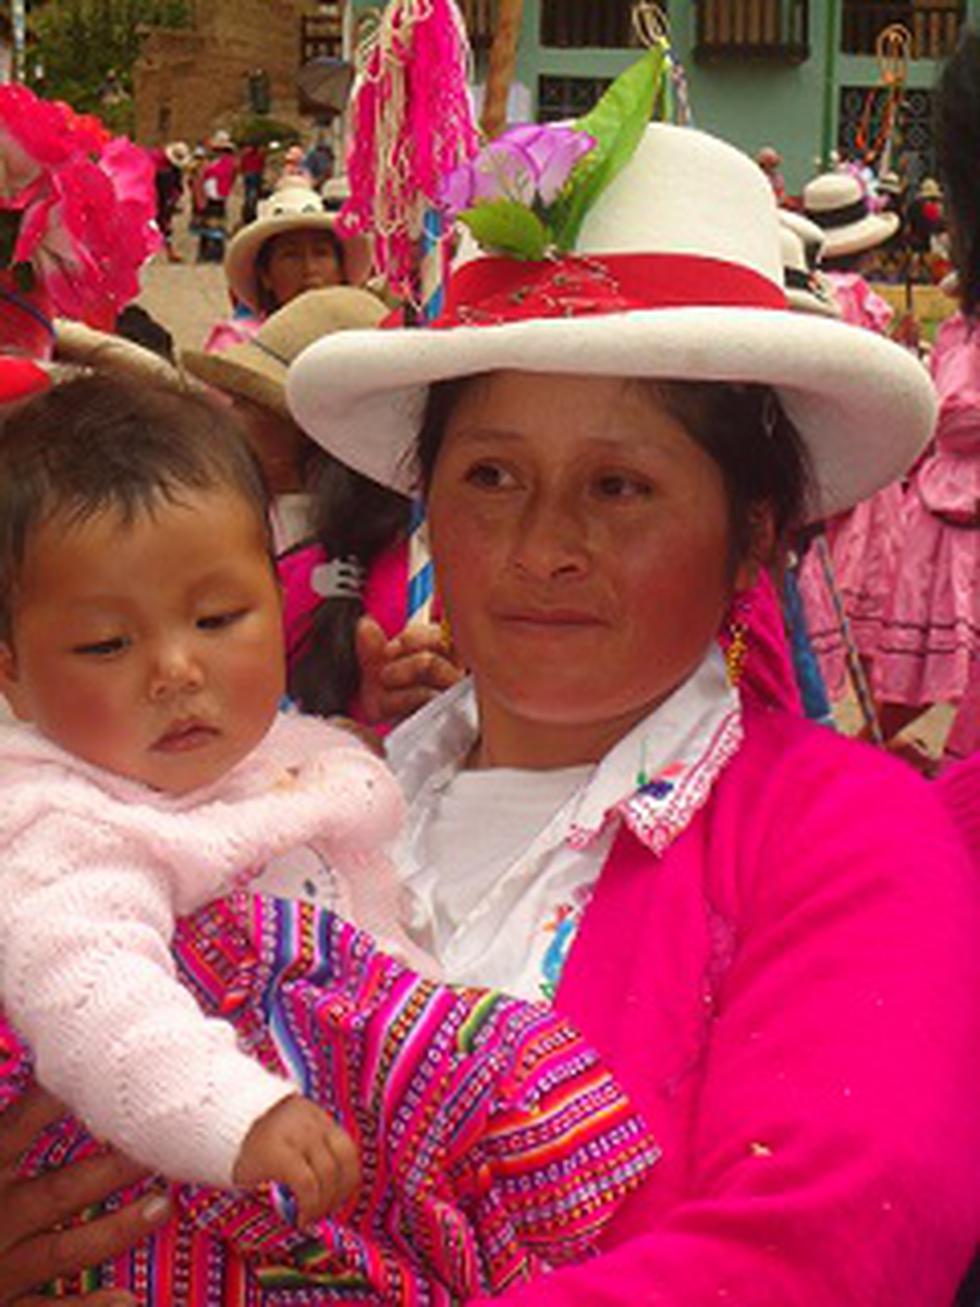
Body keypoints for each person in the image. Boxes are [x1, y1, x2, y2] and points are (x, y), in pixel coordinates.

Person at [5, 122, 980, 1306]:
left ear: (755, 531)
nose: (541, 548)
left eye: (617, 487)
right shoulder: (287, 801)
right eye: (490, 476)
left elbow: (827, 1246)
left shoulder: (849, 840)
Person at [0, 372, 658, 1302]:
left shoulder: (297, 758)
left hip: (313, 1176)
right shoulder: (56, 818)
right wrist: (236, 1111)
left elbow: (377, 932)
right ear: (14, 676)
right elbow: (92, 997)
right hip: (169, 1190)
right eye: (107, 644)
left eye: (219, 618)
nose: (177, 670)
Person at [203, 185, 371, 353]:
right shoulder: (238, 345)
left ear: (341, 270)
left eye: (321, 254)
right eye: (291, 256)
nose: (309, 269)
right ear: (266, 275)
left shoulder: (363, 341)